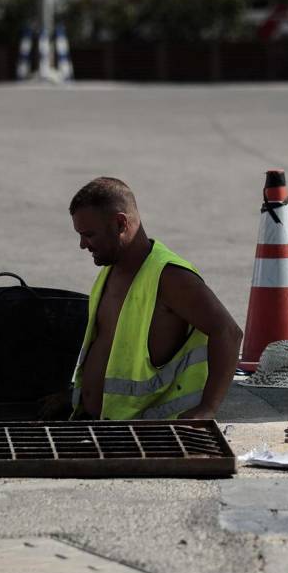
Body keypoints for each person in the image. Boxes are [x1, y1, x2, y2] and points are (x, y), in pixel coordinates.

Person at [68, 177, 242, 421]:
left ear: (120, 223)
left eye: (89, 235)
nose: (82, 245)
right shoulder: (111, 268)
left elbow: (228, 332)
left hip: (151, 431)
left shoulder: (170, 276)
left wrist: (208, 408)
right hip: (106, 425)